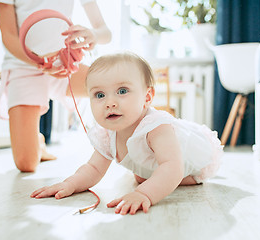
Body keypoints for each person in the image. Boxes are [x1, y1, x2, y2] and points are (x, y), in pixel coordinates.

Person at [31, 52, 223, 215]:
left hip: (193, 157)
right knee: (142, 176)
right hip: (162, 162)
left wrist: (144, 193)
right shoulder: (107, 134)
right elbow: (93, 169)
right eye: (99, 95)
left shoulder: (156, 127)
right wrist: (70, 184)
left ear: (147, 97)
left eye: (122, 91)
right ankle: (149, 175)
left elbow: (173, 167)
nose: (110, 102)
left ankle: (173, 178)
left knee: (169, 176)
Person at [0, 0, 112, 172]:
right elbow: (9, 36)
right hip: (23, 67)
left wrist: (94, 34)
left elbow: (105, 32)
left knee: (113, 83)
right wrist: (42, 64)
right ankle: (37, 141)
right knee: (26, 164)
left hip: (65, 64)